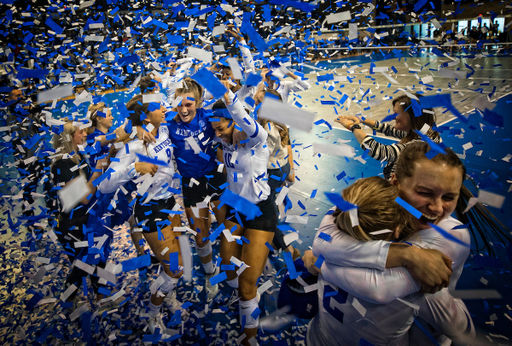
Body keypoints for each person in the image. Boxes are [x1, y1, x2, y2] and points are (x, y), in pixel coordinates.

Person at [304, 142, 483, 345]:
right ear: (395, 182)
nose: (437, 208)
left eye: (449, 197)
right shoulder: (369, 202)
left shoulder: (451, 235)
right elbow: (322, 240)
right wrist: (405, 254)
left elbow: (378, 289)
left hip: (422, 330)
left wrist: (320, 264)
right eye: (425, 193)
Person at [98, 95, 182, 337]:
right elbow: (104, 185)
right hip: (150, 211)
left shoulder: (164, 129)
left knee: (172, 267)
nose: (164, 108)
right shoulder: (131, 147)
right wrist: (134, 167)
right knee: (174, 268)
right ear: (146, 116)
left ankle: (168, 293)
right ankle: (154, 316)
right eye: (159, 107)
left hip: (170, 204)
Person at [210, 85, 277, 346]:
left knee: (248, 282)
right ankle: (247, 298)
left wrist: (228, 97)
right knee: (228, 267)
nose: (219, 134)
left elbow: (243, 119)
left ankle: (249, 338)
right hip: (236, 207)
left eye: (223, 128)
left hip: (260, 211)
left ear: (236, 122)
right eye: (215, 129)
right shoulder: (222, 140)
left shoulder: (256, 139)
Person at [51, 121, 110, 307]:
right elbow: (84, 197)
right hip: (72, 225)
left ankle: (102, 300)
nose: (84, 133)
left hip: (86, 218)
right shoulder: (62, 163)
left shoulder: (76, 156)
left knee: (98, 261)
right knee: (81, 269)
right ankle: (67, 300)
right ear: (69, 137)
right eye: (80, 131)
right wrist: (99, 169)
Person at [335, 93, 440, 180]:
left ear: (411, 116)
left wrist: (353, 127)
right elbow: (389, 130)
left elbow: (380, 151)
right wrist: (362, 120)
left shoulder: (420, 145)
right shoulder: (425, 132)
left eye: (396, 113)